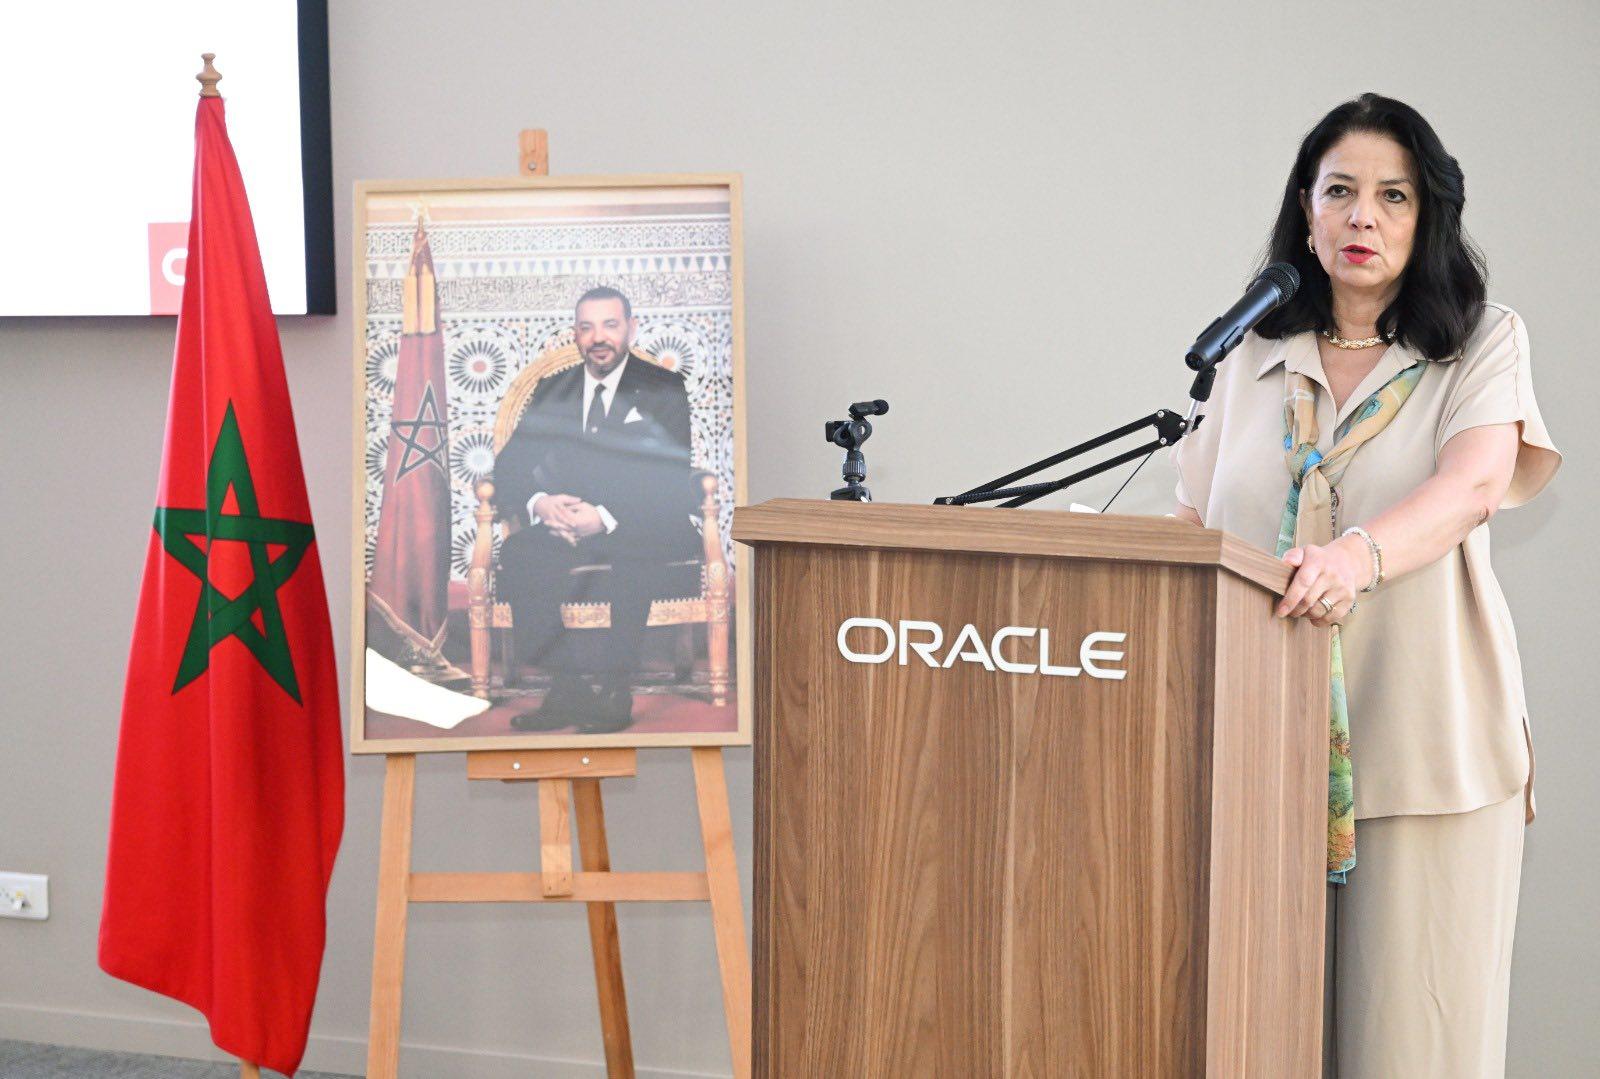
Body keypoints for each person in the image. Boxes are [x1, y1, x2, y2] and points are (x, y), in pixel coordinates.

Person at [1171, 93, 1560, 1077]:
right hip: (1252, 765)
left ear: (1428, 217)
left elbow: (1471, 485)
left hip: (1426, 752)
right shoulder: (1248, 350)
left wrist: (1352, 556)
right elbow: (1191, 522)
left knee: (1409, 1049)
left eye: (1392, 196)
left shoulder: (1480, 341)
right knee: (1248, 1041)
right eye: (1339, 191)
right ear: (1304, 209)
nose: (1362, 217)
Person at [493, 286, 700, 733]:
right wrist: (541, 504)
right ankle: (568, 689)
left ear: (630, 327)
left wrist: (603, 517)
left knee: (634, 548)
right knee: (519, 555)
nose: (598, 336)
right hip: (569, 524)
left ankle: (614, 688)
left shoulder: (663, 387)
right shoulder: (555, 390)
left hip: (645, 519)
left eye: (609, 324)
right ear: (576, 334)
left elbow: (669, 473)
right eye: (587, 327)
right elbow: (508, 467)